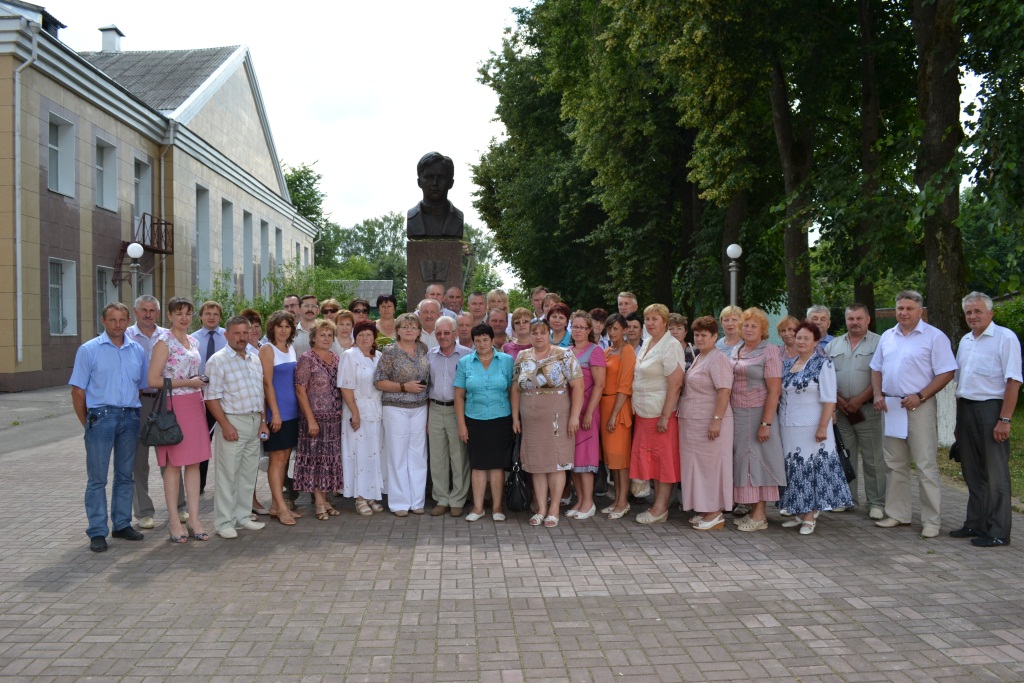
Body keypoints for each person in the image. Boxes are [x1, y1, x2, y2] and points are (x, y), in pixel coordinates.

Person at [870, 290, 957, 538]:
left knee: (925, 463)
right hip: (892, 406)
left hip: (919, 405)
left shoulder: (934, 337)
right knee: (894, 463)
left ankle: (931, 520)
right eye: (900, 308)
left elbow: (947, 372)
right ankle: (898, 513)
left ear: (920, 311)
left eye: (909, 308)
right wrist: (877, 395)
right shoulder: (888, 336)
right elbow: (876, 368)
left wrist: (920, 395)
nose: (904, 313)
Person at [70, 302, 148, 552]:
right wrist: (88, 423)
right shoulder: (89, 350)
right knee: (97, 479)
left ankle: (122, 524)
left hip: (130, 417)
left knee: (125, 476)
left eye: (122, 320)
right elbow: (77, 390)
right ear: (103, 321)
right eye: (113, 320)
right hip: (100, 417)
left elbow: (140, 386)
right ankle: (97, 531)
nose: (118, 325)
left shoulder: (137, 349)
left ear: (128, 321)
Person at [951, 292, 1022, 547]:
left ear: (990, 313)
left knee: (995, 474)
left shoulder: (1005, 338)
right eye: (968, 312)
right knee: (972, 471)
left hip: (992, 409)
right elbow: (960, 384)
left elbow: (1013, 380)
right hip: (967, 409)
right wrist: (958, 423)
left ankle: (999, 531)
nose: (972, 316)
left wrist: (1005, 419)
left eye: (978, 311)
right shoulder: (965, 340)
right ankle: (975, 522)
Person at [145, 297, 211, 543]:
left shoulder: (192, 340)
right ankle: (174, 520)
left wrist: (197, 383)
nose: (184, 318)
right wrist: (188, 383)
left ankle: (194, 519)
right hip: (173, 407)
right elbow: (153, 380)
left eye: (187, 313)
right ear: (170, 316)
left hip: (195, 404)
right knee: (173, 465)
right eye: (179, 313)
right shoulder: (164, 342)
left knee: (194, 463)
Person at [779, 321, 853, 535]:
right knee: (794, 470)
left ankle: (810, 517)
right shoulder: (788, 364)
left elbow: (830, 399)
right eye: (798, 337)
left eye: (806, 338)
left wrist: (823, 427)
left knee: (811, 470)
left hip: (813, 427)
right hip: (789, 426)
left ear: (816, 341)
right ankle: (799, 512)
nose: (801, 341)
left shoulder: (823, 364)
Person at [511, 319, 584, 528]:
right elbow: (515, 388)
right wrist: (515, 417)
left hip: (557, 415)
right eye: (535, 332)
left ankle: (553, 510)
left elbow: (578, 387)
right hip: (530, 417)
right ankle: (541, 508)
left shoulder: (563, 354)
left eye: (543, 332)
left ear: (549, 333)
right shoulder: (522, 356)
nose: (539, 336)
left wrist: (574, 416)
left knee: (556, 463)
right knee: (536, 464)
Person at [205, 316, 270, 539]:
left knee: (248, 474)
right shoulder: (218, 360)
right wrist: (225, 424)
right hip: (232, 421)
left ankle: (242, 517)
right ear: (227, 335)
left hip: (253, 421)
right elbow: (211, 398)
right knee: (227, 475)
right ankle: (224, 522)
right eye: (237, 333)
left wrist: (262, 420)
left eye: (246, 332)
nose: (242, 337)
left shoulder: (253, 358)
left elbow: (259, 393)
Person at [125, 295, 185, 529]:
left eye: (152, 310)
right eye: (143, 310)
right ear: (136, 312)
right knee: (138, 460)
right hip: (137, 401)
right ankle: (144, 512)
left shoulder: (166, 336)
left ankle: (179, 507)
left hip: (164, 400)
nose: (148, 314)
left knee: (170, 455)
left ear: (159, 313)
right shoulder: (127, 336)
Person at [825, 304, 885, 518]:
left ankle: (876, 503)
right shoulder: (834, 345)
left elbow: (882, 375)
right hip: (842, 411)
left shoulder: (880, 343)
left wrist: (860, 399)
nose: (855, 322)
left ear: (868, 319)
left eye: (859, 318)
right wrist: (839, 401)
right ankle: (845, 498)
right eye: (851, 318)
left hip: (868, 410)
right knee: (844, 455)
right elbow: (827, 376)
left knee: (873, 459)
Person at [728, 308, 785, 532]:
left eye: (754, 326)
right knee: (743, 462)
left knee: (759, 461)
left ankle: (760, 515)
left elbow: (774, 391)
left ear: (763, 330)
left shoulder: (769, 350)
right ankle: (753, 510)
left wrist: (766, 423)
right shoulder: (737, 349)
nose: (749, 329)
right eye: (746, 325)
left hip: (758, 412)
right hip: (738, 412)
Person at [630, 304, 686, 524]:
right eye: (647, 319)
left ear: (665, 322)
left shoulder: (671, 345)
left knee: (663, 462)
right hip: (643, 412)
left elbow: (676, 383)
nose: (650, 323)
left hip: (661, 413)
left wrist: (665, 415)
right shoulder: (647, 344)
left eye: (655, 319)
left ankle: (660, 508)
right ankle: (656, 504)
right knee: (651, 460)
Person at [677, 316, 734, 530]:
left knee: (712, 468)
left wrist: (716, 421)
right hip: (693, 423)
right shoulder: (700, 357)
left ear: (714, 337)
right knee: (698, 467)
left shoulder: (717, 358)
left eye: (704, 335)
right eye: (697, 335)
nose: (700, 338)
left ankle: (715, 512)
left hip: (711, 422)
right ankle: (704, 508)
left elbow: (724, 391)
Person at [455, 323, 515, 522]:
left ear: (492, 340)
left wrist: (515, 418)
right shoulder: (465, 362)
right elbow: (459, 396)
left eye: (485, 339)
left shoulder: (506, 361)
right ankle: (478, 507)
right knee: (478, 465)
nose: (481, 343)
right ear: (473, 342)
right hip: (475, 418)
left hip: (500, 419)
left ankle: (498, 507)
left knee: (497, 466)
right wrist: (462, 425)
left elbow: (512, 391)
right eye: (477, 340)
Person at [374, 313, 431, 516]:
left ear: (418, 331)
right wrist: (403, 387)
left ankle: (417, 502)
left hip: (420, 408)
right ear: (397, 330)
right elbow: (379, 382)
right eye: (405, 327)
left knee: (417, 456)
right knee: (397, 456)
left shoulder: (423, 349)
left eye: (413, 327)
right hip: (395, 408)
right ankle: (399, 503)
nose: (409, 330)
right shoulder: (389, 352)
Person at [294, 319, 344, 521]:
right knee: (315, 460)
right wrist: (311, 419)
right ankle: (319, 502)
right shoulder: (307, 358)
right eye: (322, 334)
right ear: (313, 338)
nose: (326, 338)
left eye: (329, 335)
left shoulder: (336, 358)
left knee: (328, 461)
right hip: (313, 418)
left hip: (334, 418)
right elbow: (300, 390)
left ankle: (325, 498)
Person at [426, 317, 472, 517]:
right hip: (436, 408)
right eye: (439, 333)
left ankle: (458, 499)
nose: (443, 337)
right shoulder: (430, 355)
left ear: (455, 333)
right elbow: (427, 385)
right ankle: (442, 498)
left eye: (446, 333)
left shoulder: (467, 355)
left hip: (458, 411)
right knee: (437, 458)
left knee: (459, 456)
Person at [339, 321, 386, 516]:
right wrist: (355, 413)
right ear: (355, 337)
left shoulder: (379, 357)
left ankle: (371, 494)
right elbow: (345, 386)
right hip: (356, 410)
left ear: (374, 337)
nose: (365, 338)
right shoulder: (349, 356)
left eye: (368, 334)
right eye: (360, 335)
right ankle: (359, 497)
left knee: (374, 454)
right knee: (359, 455)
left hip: (376, 410)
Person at [259, 310, 301, 525]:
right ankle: (281, 507)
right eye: (280, 326)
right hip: (278, 414)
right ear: (272, 328)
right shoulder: (267, 349)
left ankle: (276, 505)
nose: (284, 330)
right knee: (276, 460)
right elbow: (267, 384)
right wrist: (274, 413)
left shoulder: (290, 348)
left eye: (287, 326)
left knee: (284, 459)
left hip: (292, 412)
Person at [565, 311, 606, 520]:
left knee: (585, 458)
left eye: (582, 327)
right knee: (573, 460)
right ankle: (580, 499)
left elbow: (599, 385)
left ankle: (589, 503)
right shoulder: (567, 351)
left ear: (589, 330)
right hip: (570, 411)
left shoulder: (595, 351)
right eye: (575, 326)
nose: (578, 330)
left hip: (587, 412)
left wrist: (589, 412)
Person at [195, 300, 226, 494]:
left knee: (227, 442)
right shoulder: (192, 339)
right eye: (207, 313)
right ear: (201, 316)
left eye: (215, 313)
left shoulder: (228, 336)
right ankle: (198, 485)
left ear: (220, 317)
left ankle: (226, 488)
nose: (211, 317)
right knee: (202, 442)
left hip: (225, 398)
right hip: (200, 398)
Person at [406, 151, 464, 239]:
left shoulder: (458, 219)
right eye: (429, 177)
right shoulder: (412, 218)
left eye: (441, 177)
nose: (434, 183)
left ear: (451, 183)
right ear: (419, 182)